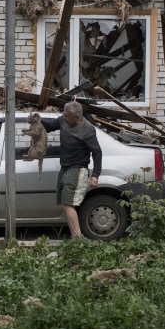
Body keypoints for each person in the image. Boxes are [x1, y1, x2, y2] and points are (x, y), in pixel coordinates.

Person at [41, 101, 102, 238]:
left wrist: (95, 175)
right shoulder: (64, 120)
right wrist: (37, 119)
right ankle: (76, 238)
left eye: (67, 116)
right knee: (65, 204)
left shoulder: (87, 130)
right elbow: (50, 126)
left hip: (78, 169)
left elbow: (97, 152)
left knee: (68, 203)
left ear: (77, 118)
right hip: (65, 167)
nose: (64, 118)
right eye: (64, 115)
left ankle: (77, 239)